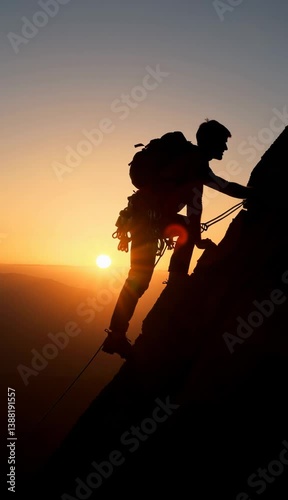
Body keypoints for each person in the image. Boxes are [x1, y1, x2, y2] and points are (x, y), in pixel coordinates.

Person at [102, 119, 253, 359]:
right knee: (139, 279)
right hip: (149, 220)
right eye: (222, 143)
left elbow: (208, 197)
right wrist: (254, 194)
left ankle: (119, 332)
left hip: (147, 217)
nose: (225, 148)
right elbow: (203, 201)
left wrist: (196, 236)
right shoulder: (195, 164)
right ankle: (175, 281)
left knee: (139, 278)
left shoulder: (193, 161)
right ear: (211, 142)